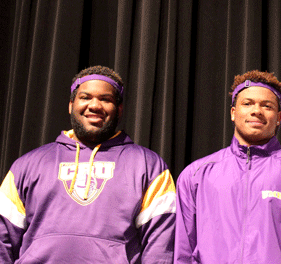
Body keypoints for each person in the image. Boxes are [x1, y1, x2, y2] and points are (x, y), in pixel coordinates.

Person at [0, 66, 176, 263]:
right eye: (85, 97)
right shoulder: (27, 165)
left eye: (105, 99)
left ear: (119, 109)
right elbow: (2, 237)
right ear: (71, 104)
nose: (95, 105)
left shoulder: (149, 166)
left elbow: (160, 247)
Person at [174, 70, 281, 263]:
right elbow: (183, 251)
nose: (256, 111)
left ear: (279, 117)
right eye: (247, 103)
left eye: (267, 106)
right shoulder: (196, 175)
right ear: (233, 113)